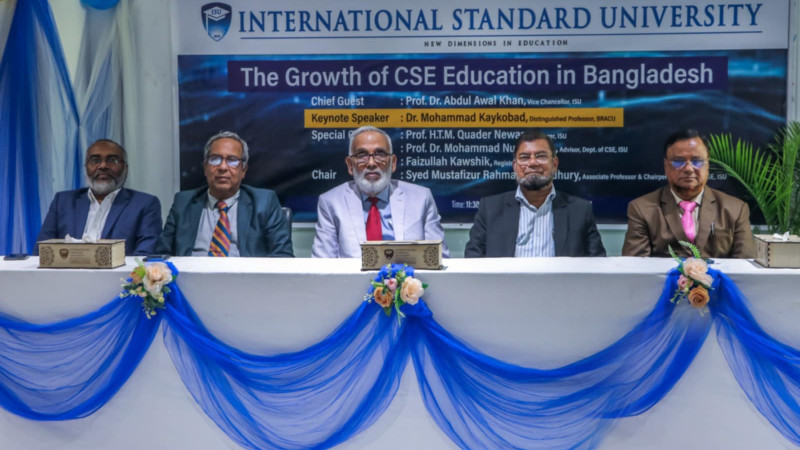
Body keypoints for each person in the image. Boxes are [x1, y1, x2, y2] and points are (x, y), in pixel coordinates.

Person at [312, 125, 448, 258]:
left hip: (408, 273)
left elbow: (439, 259)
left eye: (380, 154)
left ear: (393, 163)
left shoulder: (421, 198)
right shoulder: (331, 202)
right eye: (362, 155)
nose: (371, 163)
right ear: (350, 165)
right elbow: (321, 264)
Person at [465, 130, 605, 257]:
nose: (532, 163)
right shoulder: (490, 209)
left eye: (541, 156)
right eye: (524, 157)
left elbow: (597, 265)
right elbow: (473, 260)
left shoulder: (580, 211)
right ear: (515, 166)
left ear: (554, 164)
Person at [157, 131, 293, 257]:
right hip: (190, 274)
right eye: (215, 159)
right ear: (205, 167)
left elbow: (283, 256)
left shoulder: (264, 202)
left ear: (243, 170)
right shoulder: (183, 202)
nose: (222, 167)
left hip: (244, 275)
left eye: (232, 160)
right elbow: (161, 255)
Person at [622, 129, 755, 258]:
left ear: (708, 165)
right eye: (678, 161)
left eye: (697, 161)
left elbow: (744, 266)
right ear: (666, 166)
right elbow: (634, 266)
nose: (689, 169)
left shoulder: (736, 209)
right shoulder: (641, 209)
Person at [36, 139, 162, 256]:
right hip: (65, 272)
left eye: (112, 160)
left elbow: (144, 256)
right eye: (95, 160)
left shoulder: (144, 204)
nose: (103, 166)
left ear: (126, 168)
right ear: (86, 167)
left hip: (120, 273)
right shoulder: (63, 201)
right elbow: (41, 252)